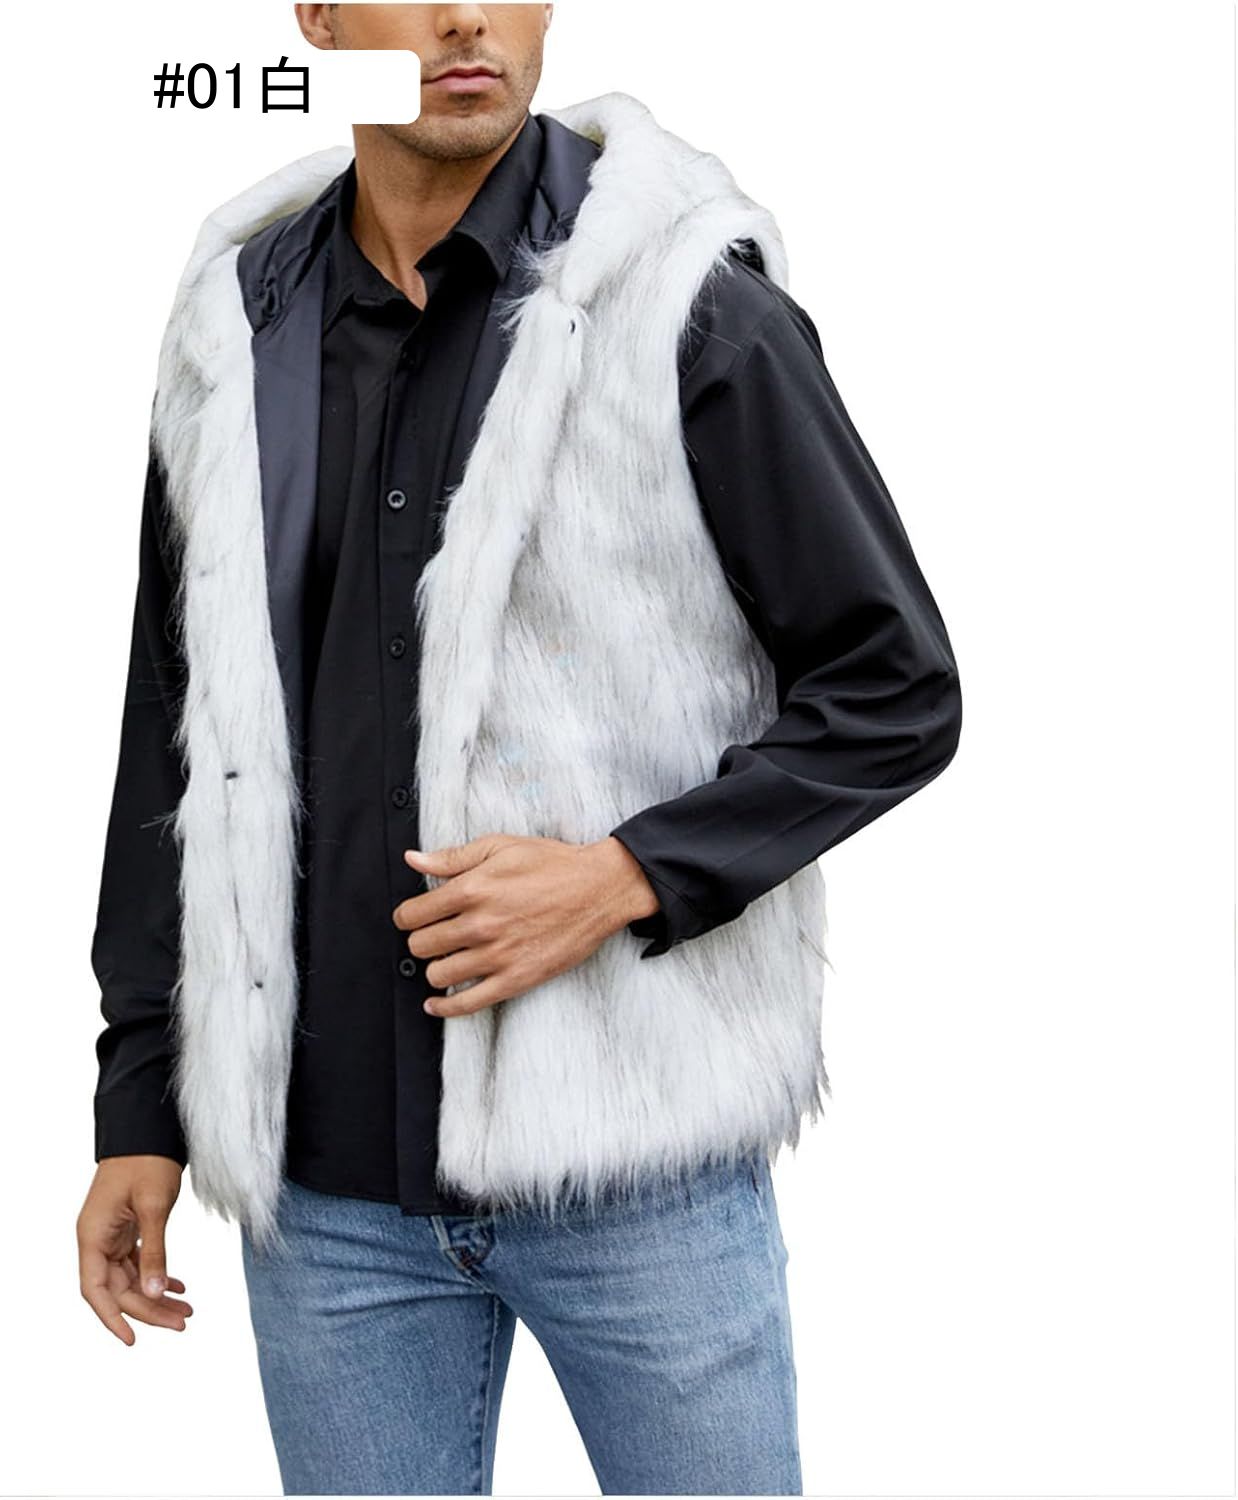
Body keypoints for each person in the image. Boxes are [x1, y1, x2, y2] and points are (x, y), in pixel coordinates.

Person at [78, 3, 962, 1493]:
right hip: (326, 1191)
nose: (467, 17)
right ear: (317, 18)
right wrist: (142, 1105)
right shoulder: (240, 327)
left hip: (635, 1164)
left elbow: (896, 687)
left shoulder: (686, 300)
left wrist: (625, 874)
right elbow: (175, 726)